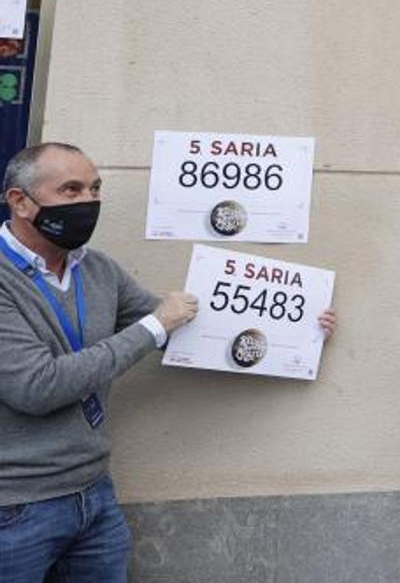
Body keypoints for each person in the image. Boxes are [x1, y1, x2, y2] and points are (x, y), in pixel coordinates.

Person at [0, 142, 337, 582]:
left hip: (93, 493)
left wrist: (293, 329)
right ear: (20, 201)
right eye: (71, 190)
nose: (88, 202)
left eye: (95, 188)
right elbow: (38, 387)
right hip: (16, 505)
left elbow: (181, 327)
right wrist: (155, 326)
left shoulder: (97, 270)